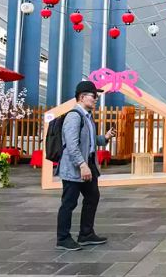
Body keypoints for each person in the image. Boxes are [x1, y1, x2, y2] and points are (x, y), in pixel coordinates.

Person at [56, 81, 117, 251]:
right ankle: (63, 238)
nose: (96, 99)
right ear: (82, 97)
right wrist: (82, 165)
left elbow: (89, 141)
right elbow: (72, 145)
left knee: (92, 197)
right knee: (69, 203)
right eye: (93, 96)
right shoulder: (74, 116)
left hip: (88, 165)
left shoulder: (87, 117)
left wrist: (104, 137)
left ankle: (86, 234)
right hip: (75, 168)